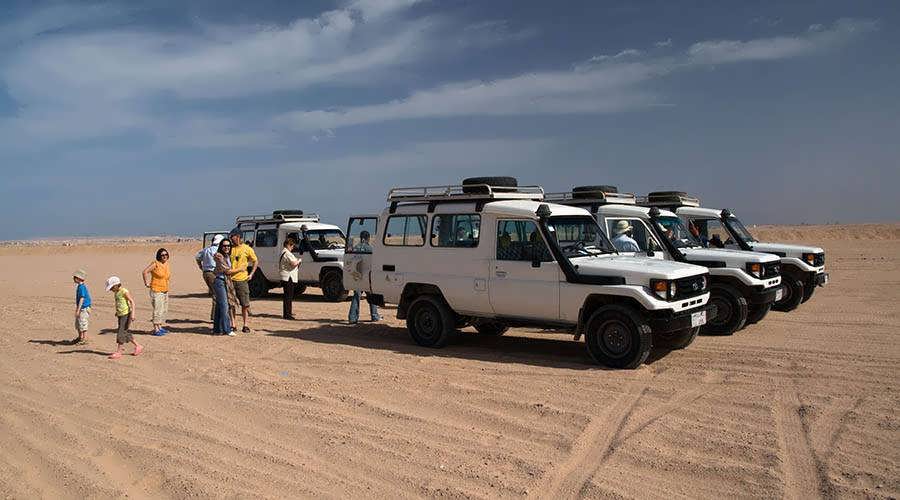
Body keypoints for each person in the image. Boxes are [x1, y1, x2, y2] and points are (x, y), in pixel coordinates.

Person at [105, 276, 142, 359]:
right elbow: (119, 303)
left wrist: (133, 314)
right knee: (124, 332)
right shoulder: (116, 293)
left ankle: (119, 352)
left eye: (111, 288)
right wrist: (117, 312)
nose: (111, 290)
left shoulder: (124, 291)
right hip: (120, 314)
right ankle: (138, 346)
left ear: (116, 285)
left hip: (126, 314)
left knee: (121, 332)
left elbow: (132, 302)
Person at [213, 238, 245, 335]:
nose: (226, 247)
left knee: (219, 306)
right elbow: (227, 271)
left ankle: (217, 329)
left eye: (228, 246)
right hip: (220, 282)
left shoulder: (227, 256)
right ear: (220, 247)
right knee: (224, 306)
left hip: (226, 282)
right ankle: (227, 329)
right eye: (224, 246)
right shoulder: (219, 256)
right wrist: (240, 269)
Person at [229, 229, 258, 333]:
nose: (232, 238)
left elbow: (255, 261)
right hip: (230, 280)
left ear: (238, 237)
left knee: (245, 304)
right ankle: (233, 324)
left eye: (233, 236)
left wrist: (251, 274)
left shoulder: (247, 249)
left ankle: (245, 325)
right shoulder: (229, 249)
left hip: (242, 280)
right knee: (231, 304)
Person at [348, 230, 380, 324]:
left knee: (356, 296)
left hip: (357, 276)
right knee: (371, 295)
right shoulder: (370, 248)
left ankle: (353, 318)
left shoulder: (355, 248)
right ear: (367, 238)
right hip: (367, 277)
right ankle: (374, 315)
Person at [196, 234, 225, 321]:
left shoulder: (206, 250)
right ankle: (215, 316)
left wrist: (201, 266)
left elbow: (197, 257)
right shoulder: (218, 251)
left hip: (206, 273)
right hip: (213, 273)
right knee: (217, 294)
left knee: (215, 293)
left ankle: (215, 315)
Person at [142, 248, 171, 336]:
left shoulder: (166, 264)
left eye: (166, 255)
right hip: (156, 290)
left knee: (163, 310)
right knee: (157, 310)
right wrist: (146, 283)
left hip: (165, 290)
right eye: (162, 255)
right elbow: (144, 272)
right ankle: (156, 329)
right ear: (159, 256)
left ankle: (160, 327)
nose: (164, 256)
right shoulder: (155, 264)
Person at [279, 237, 302, 320]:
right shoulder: (287, 253)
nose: (292, 248)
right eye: (292, 246)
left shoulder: (283, 252)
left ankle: (287, 312)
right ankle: (287, 314)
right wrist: (299, 261)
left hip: (286, 276)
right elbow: (294, 263)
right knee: (288, 296)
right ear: (289, 245)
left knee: (287, 296)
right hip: (288, 277)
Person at [72, 269, 92, 345]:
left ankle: (84, 338)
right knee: (78, 323)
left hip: (84, 308)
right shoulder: (80, 286)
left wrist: (78, 309)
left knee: (83, 323)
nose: (74, 279)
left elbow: (82, 298)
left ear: (79, 278)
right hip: (81, 308)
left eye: (75, 277)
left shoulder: (82, 287)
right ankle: (80, 337)